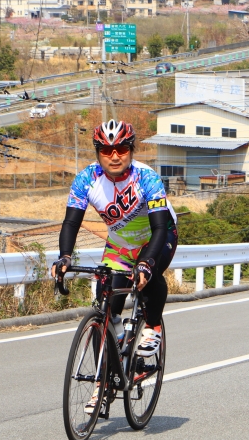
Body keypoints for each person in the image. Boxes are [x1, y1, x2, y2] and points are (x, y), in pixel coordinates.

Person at [50, 120, 178, 359]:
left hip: (157, 236)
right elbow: (71, 223)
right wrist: (65, 256)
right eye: (107, 151)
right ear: (98, 153)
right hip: (119, 244)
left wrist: (147, 262)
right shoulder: (85, 180)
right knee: (106, 301)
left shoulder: (147, 178)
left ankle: (152, 326)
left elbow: (160, 226)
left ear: (131, 150)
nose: (115, 156)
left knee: (148, 274)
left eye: (122, 149)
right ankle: (110, 366)